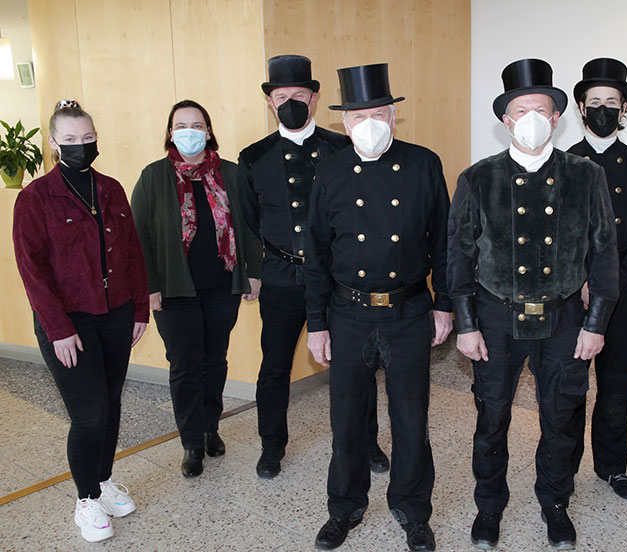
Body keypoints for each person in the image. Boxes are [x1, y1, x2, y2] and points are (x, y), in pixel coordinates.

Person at [448, 59, 619, 550]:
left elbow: (604, 252)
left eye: (540, 109)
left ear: (557, 117)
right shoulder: (478, 177)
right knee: (491, 417)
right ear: (506, 119)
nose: (531, 118)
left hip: (565, 318)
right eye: (521, 110)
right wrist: (465, 322)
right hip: (495, 318)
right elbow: (457, 253)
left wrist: (596, 322)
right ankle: (489, 506)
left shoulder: (587, 175)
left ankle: (555, 501)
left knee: (561, 416)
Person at [304, 63, 452, 552]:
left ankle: (413, 509)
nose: (368, 123)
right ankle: (344, 507)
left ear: (393, 115)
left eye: (378, 113)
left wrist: (445, 305)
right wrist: (317, 324)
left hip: (409, 311)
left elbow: (444, 243)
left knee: (411, 418)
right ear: (344, 123)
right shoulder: (327, 170)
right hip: (347, 313)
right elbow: (317, 254)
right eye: (358, 115)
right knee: (347, 418)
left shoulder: (423, 163)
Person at [237, 55, 388, 479]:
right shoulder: (254, 157)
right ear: (270, 103)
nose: (290, 103)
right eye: (281, 97)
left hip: (339, 279)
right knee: (274, 367)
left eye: (298, 96)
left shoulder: (343, 148)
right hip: (283, 277)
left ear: (315, 99)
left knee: (356, 364)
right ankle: (272, 445)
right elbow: (249, 219)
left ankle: (368, 439)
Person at [12, 100, 149, 543]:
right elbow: (31, 269)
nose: (81, 145)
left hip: (116, 316)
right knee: (89, 414)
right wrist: (58, 329)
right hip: (69, 323)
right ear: (53, 143)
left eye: (87, 138)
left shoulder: (111, 189)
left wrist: (139, 310)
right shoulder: (35, 198)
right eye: (70, 140)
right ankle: (86, 499)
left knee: (110, 406)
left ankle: (104, 481)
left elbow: (131, 253)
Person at [131, 100, 262, 478]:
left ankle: (210, 427)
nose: (190, 131)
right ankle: (191, 442)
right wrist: (149, 286)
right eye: (181, 125)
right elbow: (138, 236)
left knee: (214, 361)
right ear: (171, 132)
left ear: (208, 130)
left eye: (197, 124)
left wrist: (254, 272)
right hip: (174, 292)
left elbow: (250, 226)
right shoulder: (154, 176)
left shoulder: (232, 175)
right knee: (185, 366)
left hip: (223, 285)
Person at [566, 58, 627, 500]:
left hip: (623, 295)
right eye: (595, 102)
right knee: (567, 387)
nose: (603, 109)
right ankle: (560, 471)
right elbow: (549, 238)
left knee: (617, 384)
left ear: (624, 109)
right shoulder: (562, 163)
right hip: (570, 298)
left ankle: (612, 468)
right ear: (580, 108)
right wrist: (580, 281)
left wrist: (610, 282)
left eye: (612, 102)